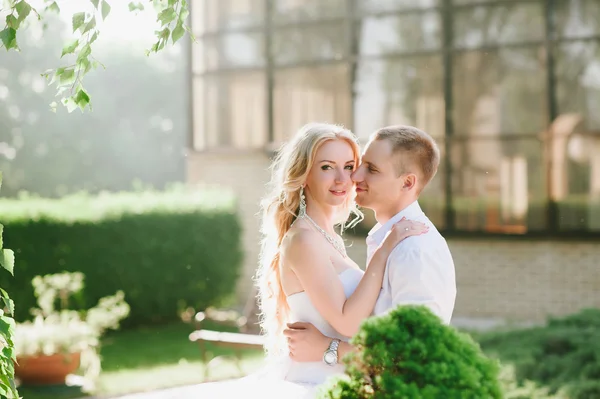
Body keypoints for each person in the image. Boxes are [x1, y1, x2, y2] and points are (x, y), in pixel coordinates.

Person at [283, 125, 457, 370]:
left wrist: (329, 347)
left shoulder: (413, 248)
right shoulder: (382, 240)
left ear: (407, 183)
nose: (354, 177)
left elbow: (415, 354)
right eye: (360, 165)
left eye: (369, 169)